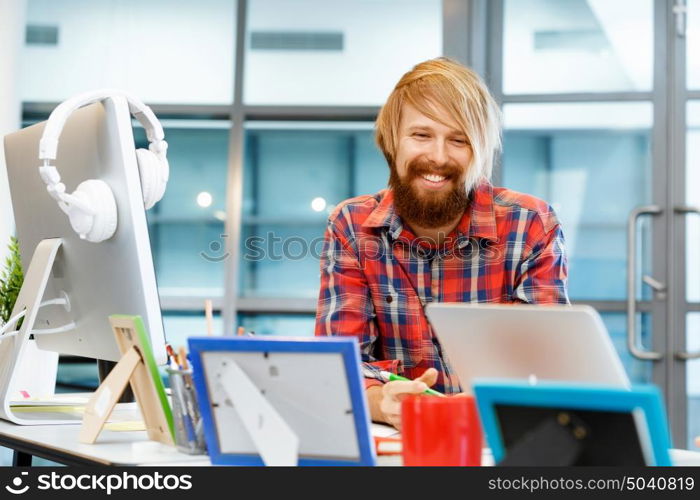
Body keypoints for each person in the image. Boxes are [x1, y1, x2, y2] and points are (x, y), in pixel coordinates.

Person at [315, 57, 569, 429]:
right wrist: (382, 402)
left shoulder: (531, 223)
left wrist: (492, 401)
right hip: (400, 445)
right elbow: (339, 366)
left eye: (459, 140)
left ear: (480, 151)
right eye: (421, 135)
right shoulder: (351, 226)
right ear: (392, 141)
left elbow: (550, 366)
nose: (438, 156)